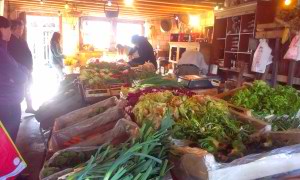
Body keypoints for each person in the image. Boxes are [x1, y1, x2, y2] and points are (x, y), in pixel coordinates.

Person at [0, 16, 28, 142]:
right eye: (7, 28)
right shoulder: (1, 52)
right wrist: (22, 72)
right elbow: (20, 76)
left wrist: (20, 71)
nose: (9, 31)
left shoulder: (3, 48)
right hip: (7, 104)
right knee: (8, 142)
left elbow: (17, 69)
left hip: (6, 101)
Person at [7, 19, 35, 114]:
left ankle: (29, 107)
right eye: (19, 28)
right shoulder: (10, 41)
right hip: (18, 70)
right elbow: (12, 58)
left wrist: (30, 67)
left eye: (22, 28)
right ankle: (15, 113)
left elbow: (27, 54)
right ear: (13, 28)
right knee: (18, 92)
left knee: (28, 89)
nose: (21, 30)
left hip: (26, 69)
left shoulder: (21, 40)